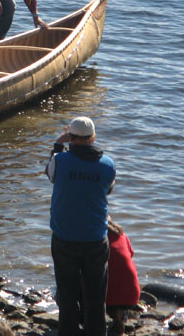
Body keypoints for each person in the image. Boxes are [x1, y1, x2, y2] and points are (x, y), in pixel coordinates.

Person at [45, 116, 116, 336]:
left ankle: (68, 331)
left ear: (71, 138)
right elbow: (109, 189)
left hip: (64, 237)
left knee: (67, 293)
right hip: (95, 238)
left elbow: (50, 174)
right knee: (96, 295)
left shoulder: (60, 160)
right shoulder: (107, 164)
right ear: (93, 138)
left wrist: (59, 143)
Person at [106, 219, 140, 335]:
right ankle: (120, 320)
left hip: (108, 296)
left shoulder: (96, 237)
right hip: (132, 294)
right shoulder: (121, 235)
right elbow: (131, 253)